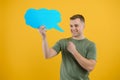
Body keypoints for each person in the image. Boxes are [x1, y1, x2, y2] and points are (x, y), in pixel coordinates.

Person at [38, 14, 97, 80]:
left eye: (76, 25)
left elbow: (90, 67)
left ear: (83, 26)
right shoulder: (63, 42)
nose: (73, 28)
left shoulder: (90, 45)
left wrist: (74, 52)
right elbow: (47, 55)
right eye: (71, 26)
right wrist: (44, 37)